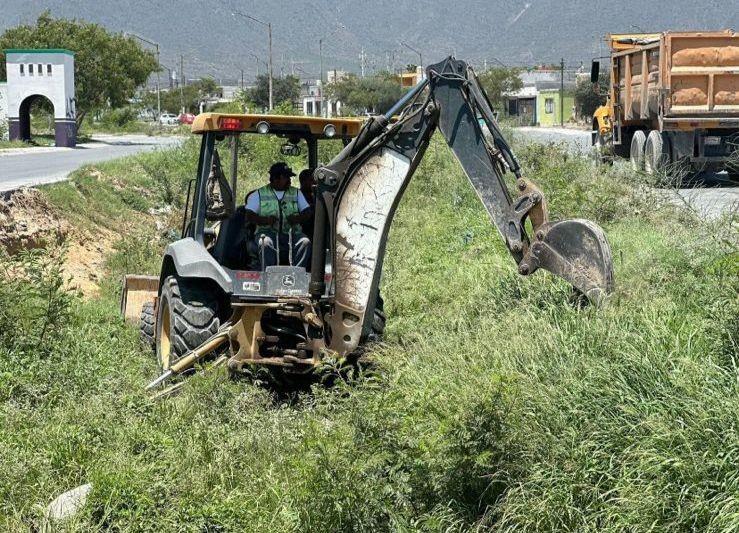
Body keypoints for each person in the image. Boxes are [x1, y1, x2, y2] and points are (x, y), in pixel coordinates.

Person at [245, 162, 312, 269]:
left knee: (305, 242)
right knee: (265, 243)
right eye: (287, 178)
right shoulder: (259, 194)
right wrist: (265, 220)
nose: (290, 181)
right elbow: (249, 215)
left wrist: (297, 218)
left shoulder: (296, 193)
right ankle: (268, 274)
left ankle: (297, 273)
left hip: (292, 234)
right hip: (267, 233)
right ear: (276, 179)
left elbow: (307, 212)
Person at [298, 168, 316, 238]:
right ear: (303, 182)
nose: (314, 182)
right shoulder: (298, 197)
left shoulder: (313, 195)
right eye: (311, 180)